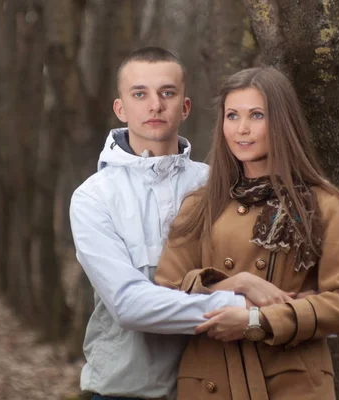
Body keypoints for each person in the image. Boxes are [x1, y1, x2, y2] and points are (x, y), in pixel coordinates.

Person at [69, 48, 292, 400]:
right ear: (121, 108)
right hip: (128, 390)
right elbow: (128, 305)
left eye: (167, 93)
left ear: (184, 107)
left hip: (219, 385)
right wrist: (241, 309)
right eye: (140, 94)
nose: (155, 105)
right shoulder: (93, 197)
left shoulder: (217, 184)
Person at [155, 67, 339, 399]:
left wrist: (258, 320)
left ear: (281, 122)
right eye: (232, 115)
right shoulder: (201, 204)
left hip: (292, 382)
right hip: (210, 380)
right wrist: (237, 284)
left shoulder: (322, 204)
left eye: (257, 115)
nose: (242, 129)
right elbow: (165, 292)